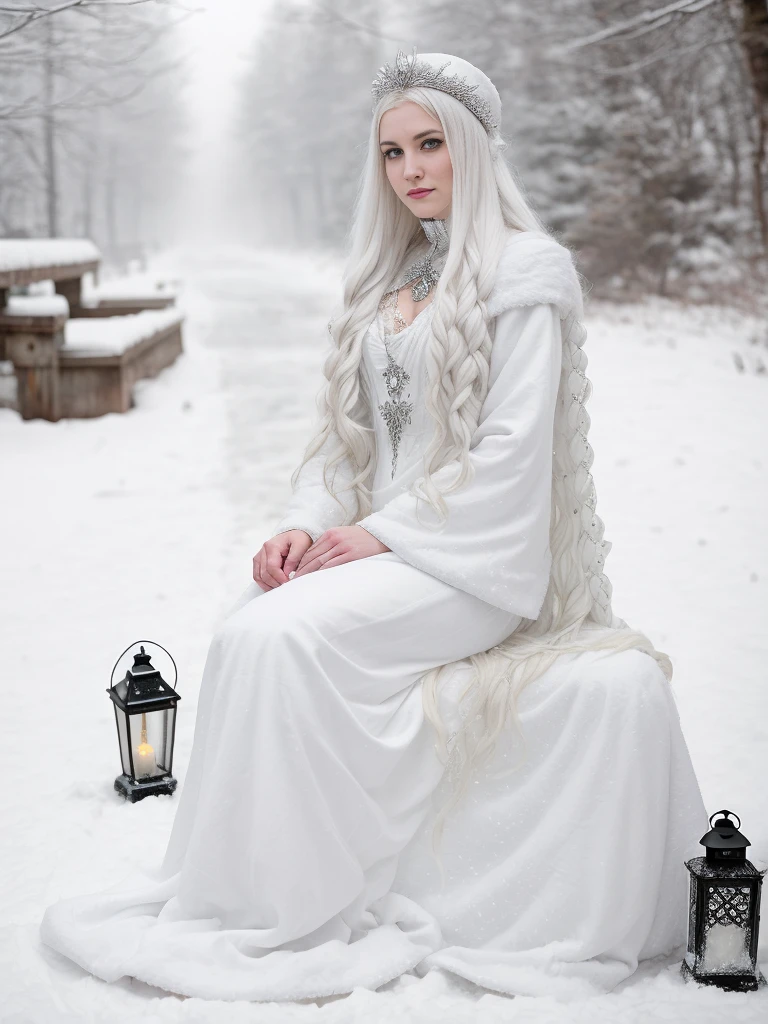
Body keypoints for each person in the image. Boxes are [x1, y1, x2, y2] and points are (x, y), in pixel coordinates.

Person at [40, 49, 709, 1002]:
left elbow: (511, 460)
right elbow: (346, 450)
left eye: (431, 144)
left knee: (283, 641)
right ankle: (248, 899)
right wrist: (305, 523)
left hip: (473, 567)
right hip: (396, 551)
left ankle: (292, 914)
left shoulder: (528, 274)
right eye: (392, 151)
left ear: (473, 147)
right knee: (248, 629)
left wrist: (386, 536)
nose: (411, 170)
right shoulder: (387, 283)